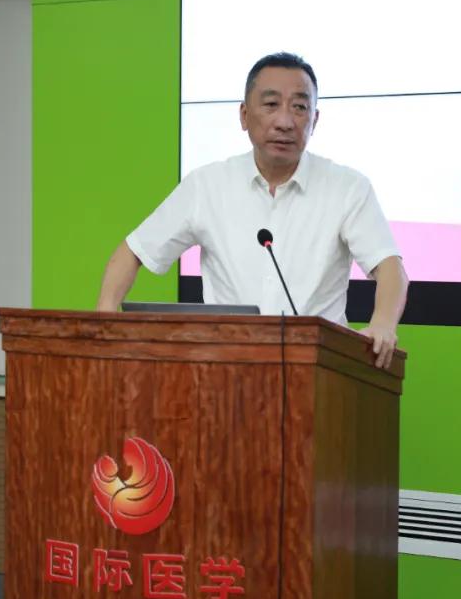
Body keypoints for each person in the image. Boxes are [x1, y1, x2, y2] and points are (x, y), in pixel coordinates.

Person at [96, 52, 408, 369]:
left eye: (299, 107)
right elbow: (133, 252)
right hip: (225, 369)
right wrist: (104, 321)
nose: (285, 121)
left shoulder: (348, 188)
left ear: (314, 120)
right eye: (271, 104)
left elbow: (390, 269)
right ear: (244, 115)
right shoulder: (207, 185)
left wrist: (383, 324)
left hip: (317, 370)